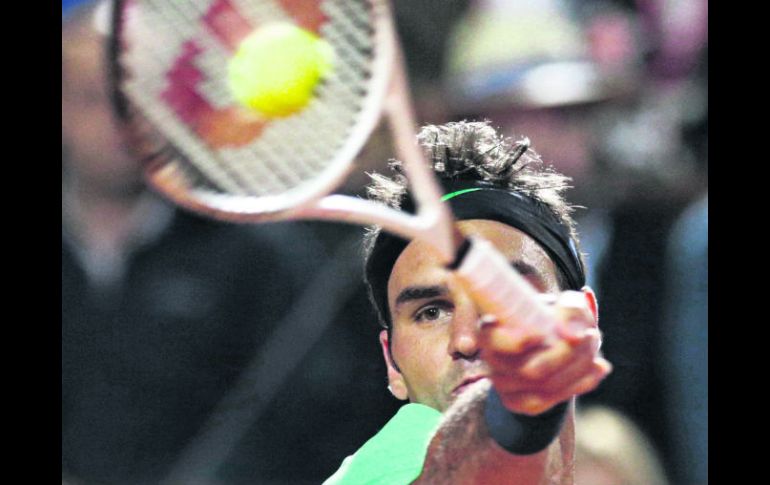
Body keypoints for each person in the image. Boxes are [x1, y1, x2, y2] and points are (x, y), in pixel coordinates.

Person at [324, 121, 612, 484]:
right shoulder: (383, 471)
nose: (466, 338)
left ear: (585, 318)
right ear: (392, 364)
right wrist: (520, 407)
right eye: (431, 313)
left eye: (502, 294)